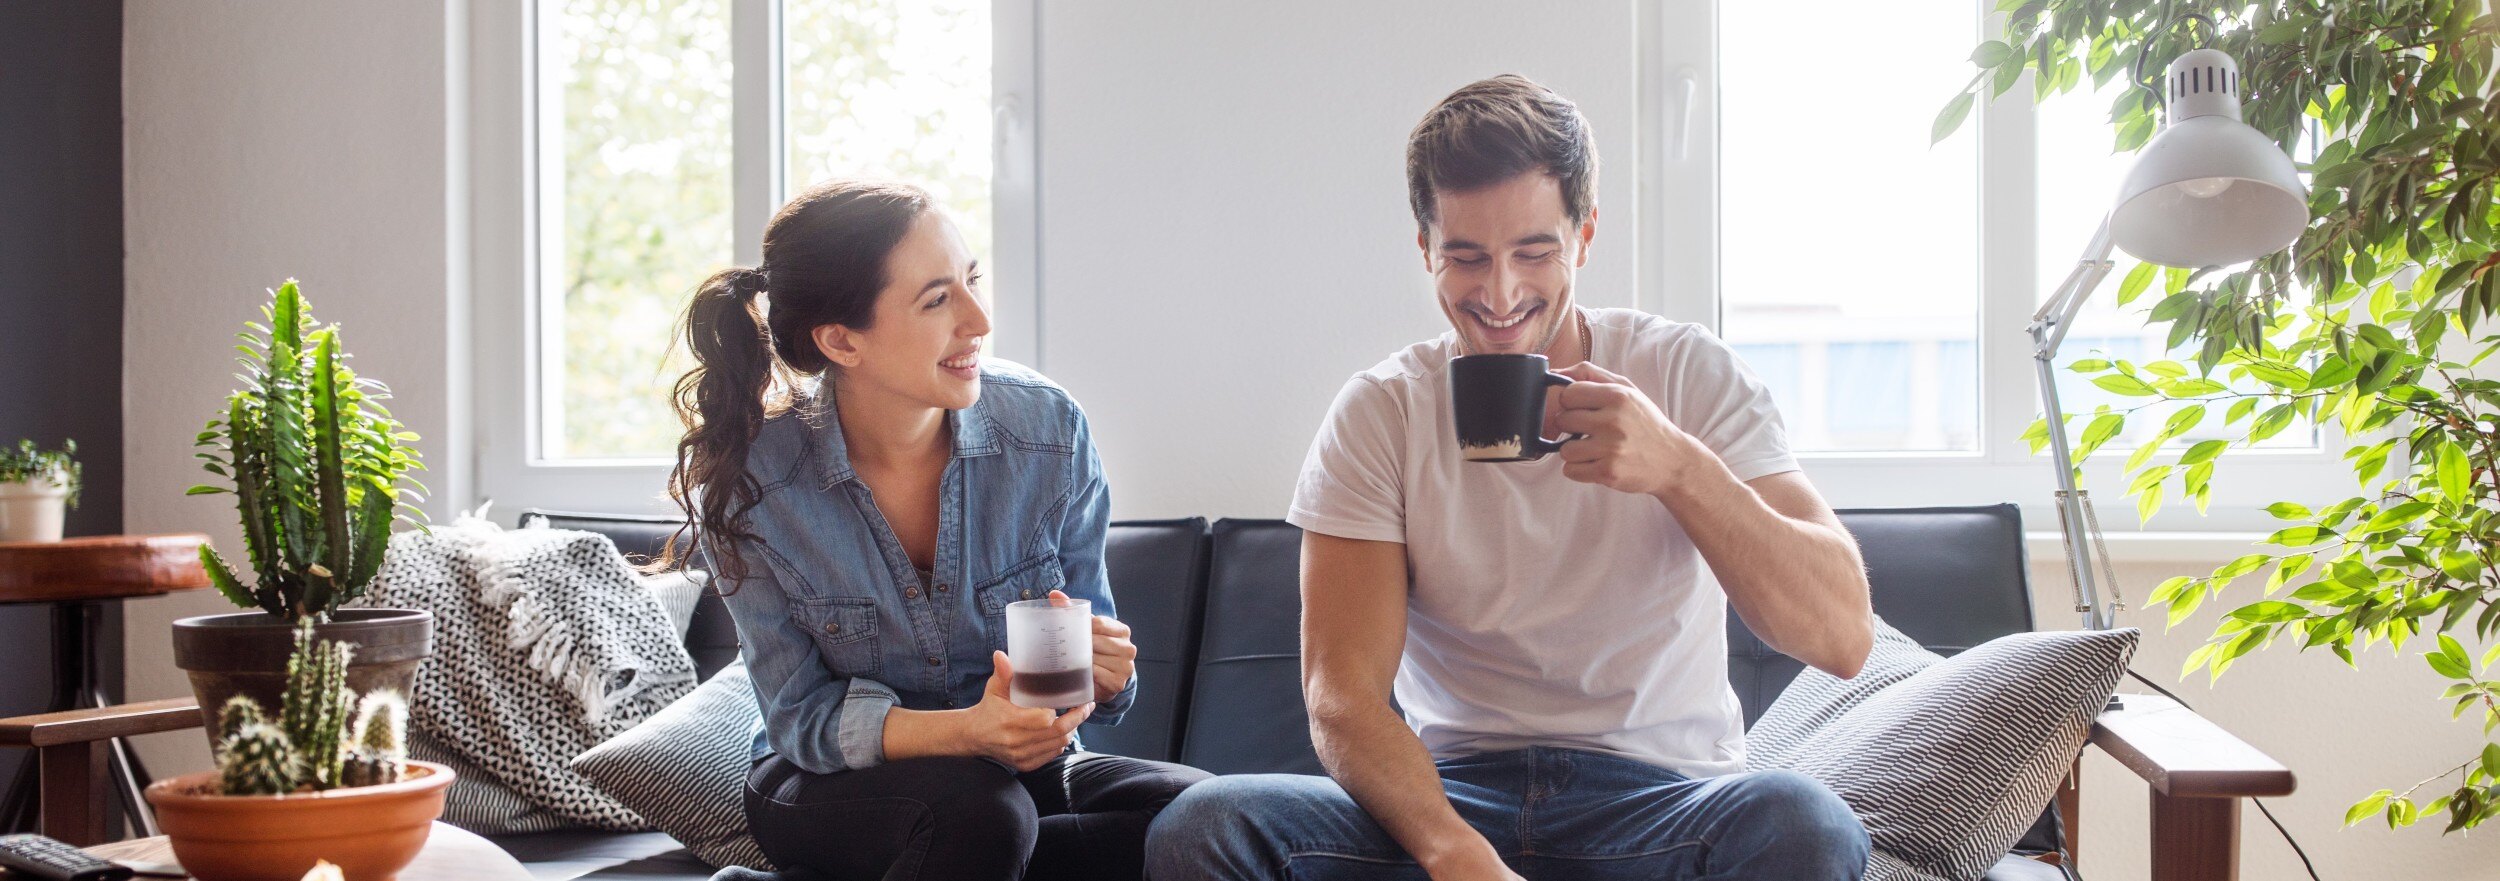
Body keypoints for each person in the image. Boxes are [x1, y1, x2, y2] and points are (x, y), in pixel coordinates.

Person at [1145, 75, 1875, 881]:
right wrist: (1454, 849)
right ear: (1424, 246)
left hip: (1665, 802)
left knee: (1806, 823)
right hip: (1452, 795)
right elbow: (1341, 697)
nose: (1499, 294)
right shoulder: (1379, 413)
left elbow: (1842, 638)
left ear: (1586, 235)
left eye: (1534, 252)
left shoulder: (1687, 372)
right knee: (1204, 824)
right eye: (1465, 257)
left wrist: (1681, 469)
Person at [656, 178, 1209, 881]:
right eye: (938, 298)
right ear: (841, 340)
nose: (978, 319)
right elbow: (801, 717)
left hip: (1007, 772)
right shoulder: (751, 483)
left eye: (972, 279)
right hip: (824, 782)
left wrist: (1100, 676)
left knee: (1201, 816)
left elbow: (1086, 651)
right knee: (983, 815)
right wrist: (966, 729)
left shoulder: (1048, 432)